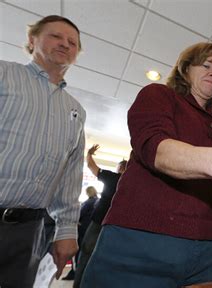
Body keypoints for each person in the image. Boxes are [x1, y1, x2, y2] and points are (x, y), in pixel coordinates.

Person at [81, 42, 212, 287]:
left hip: (206, 252)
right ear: (185, 69)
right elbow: (156, 149)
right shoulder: (158, 95)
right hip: (139, 240)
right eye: (206, 65)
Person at [0, 15, 85, 288]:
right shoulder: (4, 74)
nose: (64, 44)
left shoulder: (76, 111)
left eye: (72, 42)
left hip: (30, 231)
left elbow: (71, 173)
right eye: (55, 36)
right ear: (32, 39)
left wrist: (67, 230)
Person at [73, 144, 127, 288]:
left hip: (98, 223)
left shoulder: (112, 178)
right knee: (108, 260)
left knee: (85, 255)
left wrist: (89, 154)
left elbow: (91, 166)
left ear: (120, 168)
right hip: (118, 227)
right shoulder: (132, 184)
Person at [62, 186, 98, 281]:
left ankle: (74, 273)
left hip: (82, 229)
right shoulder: (97, 201)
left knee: (78, 253)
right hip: (90, 230)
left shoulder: (88, 202)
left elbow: (79, 214)